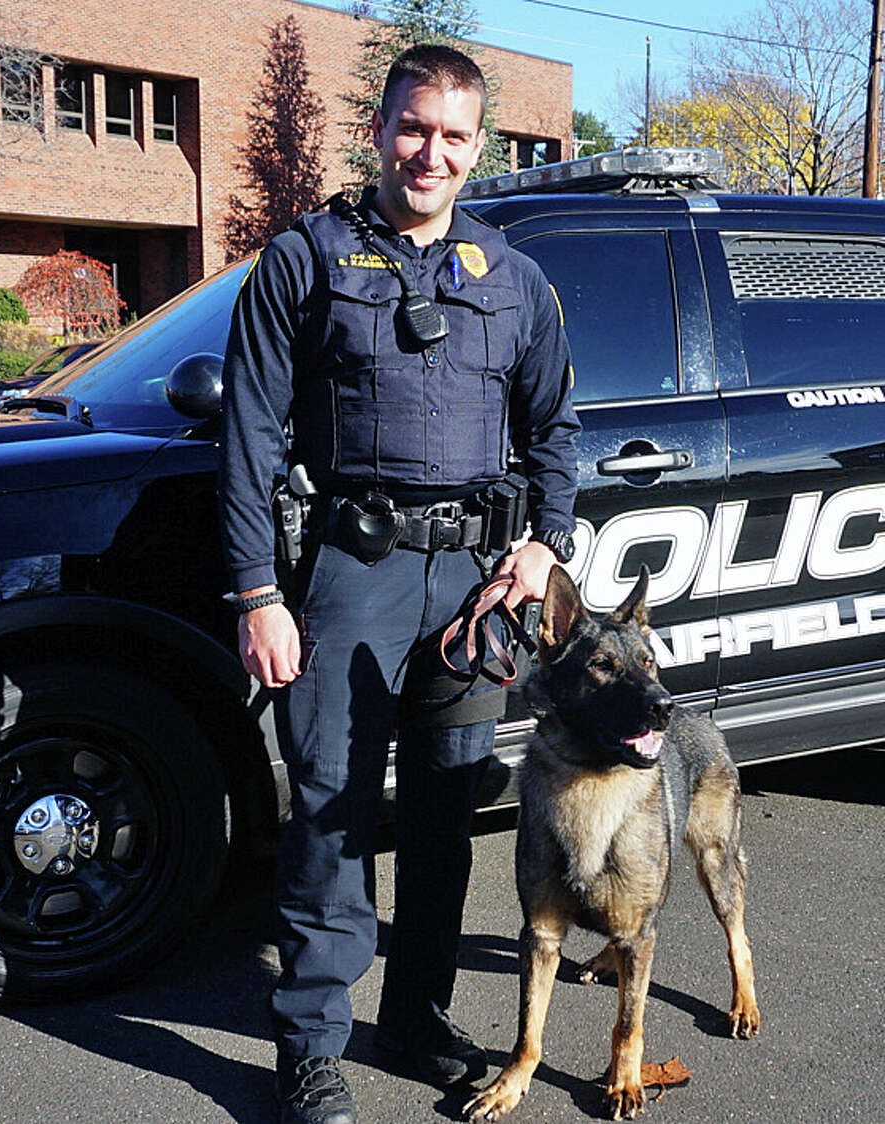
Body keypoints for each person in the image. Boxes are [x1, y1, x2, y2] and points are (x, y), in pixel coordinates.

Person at [218, 44, 580, 1124]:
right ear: (378, 130)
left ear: (480, 149)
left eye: (454, 136)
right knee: (329, 814)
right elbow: (243, 437)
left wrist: (547, 543)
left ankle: (416, 1016)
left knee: (443, 813)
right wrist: (255, 593)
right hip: (349, 576)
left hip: (474, 590)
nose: (431, 152)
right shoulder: (307, 259)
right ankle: (312, 1045)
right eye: (413, 128)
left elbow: (556, 429)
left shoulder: (514, 280)